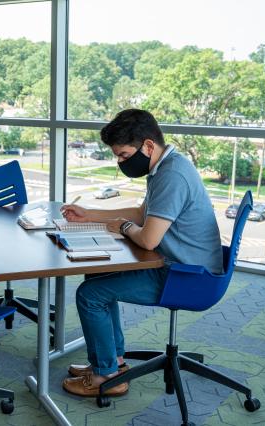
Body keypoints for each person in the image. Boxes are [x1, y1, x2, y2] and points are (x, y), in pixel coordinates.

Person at [60, 109, 223, 398]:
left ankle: (106, 376)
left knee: (90, 294)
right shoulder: (167, 166)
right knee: (100, 274)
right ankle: (113, 362)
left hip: (187, 277)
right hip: (183, 264)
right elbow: (142, 213)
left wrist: (121, 226)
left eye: (123, 155)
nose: (120, 162)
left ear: (148, 146)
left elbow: (147, 239)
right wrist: (89, 215)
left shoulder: (172, 176)